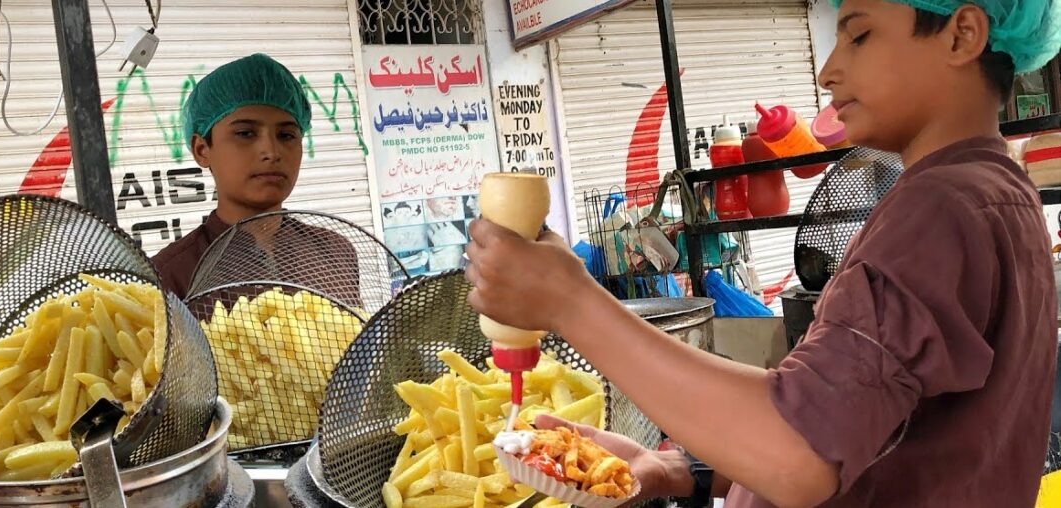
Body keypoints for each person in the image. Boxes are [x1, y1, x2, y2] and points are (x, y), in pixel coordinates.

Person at [465, 1, 1061, 507]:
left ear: (962, 34)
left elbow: (801, 453)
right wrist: (678, 469)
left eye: (859, 33)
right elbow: (856, 422)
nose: (829, 70)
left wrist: (572, 302)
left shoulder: (939, 209)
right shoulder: (997, 195)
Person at [152, 53, 359, 303]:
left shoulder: (335, 253)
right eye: (245, 133)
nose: (271, 152)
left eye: (286, 135)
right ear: (202, 149)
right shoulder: (169, 276)